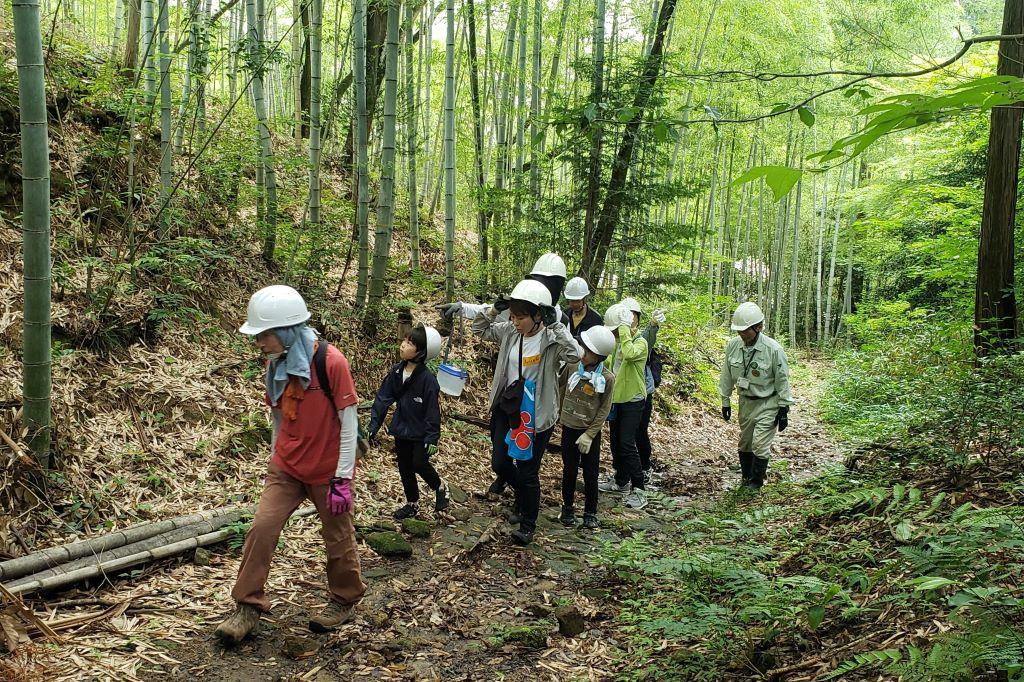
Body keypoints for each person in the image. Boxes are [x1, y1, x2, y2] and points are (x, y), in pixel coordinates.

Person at [215, 285, 364, 645]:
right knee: (262, 528)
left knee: (338, 536)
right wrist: (274, 456)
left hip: (328, 471)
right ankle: (247, 606)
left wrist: (343, 478)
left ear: (284, 331)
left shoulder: (331, 362)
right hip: (287, 467)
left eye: (263, 335)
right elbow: (278, 417)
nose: (259, 343)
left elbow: (349, 422)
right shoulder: (276, 365)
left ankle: (344, 599)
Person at [439, 252, 568, 498]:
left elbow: (570, 350)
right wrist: (462, 307)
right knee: (502, 454)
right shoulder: (524, 306)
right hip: (510, 397)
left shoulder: (553, 317)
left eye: (548, 281)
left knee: (526, 461)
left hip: (535, 400)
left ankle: (525, 498)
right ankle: (511, 483)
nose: (543, 284)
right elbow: (504, 314)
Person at [472, 279, 580, 545]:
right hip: (508, 406)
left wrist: (557, 325)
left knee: (528, 469)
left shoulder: (552, 339)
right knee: (500, 462)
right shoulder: (510, 332)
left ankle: (528, 522)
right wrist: (492, 311)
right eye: (514, 316)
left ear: (537, 316)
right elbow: (480, 329)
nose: (516, 321)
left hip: (536, 412)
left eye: (521, 317)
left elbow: (575, 356)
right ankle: (521, 495)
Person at [366, 324, 450, 520]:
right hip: (401, 429)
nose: (403, 345)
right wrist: (373, 426)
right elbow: (383, 399)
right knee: (404, 466)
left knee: (419, 463)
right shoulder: (396, 372)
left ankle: (440, 487)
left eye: (409, 343)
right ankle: (412, 503)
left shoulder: (427, 380)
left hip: (420, 433)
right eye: (404, 341)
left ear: (420, 352)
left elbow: (432, 411)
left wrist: (432, 437)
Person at [718, 302, 794, 491]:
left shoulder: (773, 350)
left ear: (758, 327)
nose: (742, 335)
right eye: (739, 331)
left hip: (768, 402)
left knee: (760, 444)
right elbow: (726, 374)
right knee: (746, 443)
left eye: (745, 331)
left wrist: (784, 408)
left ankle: (756, 483)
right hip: (745, 402)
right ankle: (746, 478)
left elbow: (782, 379)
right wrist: (725, 401)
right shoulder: (734, 346)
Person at [558, 325, 616, 529]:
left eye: (589, 351)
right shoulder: (573, 367)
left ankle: (590, 511)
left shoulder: (607, 378)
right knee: (569, 470)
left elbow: (604, 409)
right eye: (583, 347)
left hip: (589, 433)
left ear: (599, 356)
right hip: (569, 427)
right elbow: (560, 388)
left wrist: (590, 435)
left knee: (590, 473)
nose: (584, 353)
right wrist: (558, 413)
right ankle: (567, 507)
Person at [598, 303, 649, 510]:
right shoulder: (619, 343)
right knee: (616, 443)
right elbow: (610, 364)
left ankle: (639, 488)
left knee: (627, 443)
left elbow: (629, 354)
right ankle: (621, 480)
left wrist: (624, 330)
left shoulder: (640, 342)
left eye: (616, 330)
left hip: (634, 400)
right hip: (617, 399)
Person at [619, 297, 666, 485]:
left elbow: (649, 336)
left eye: (633, 315)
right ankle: (622, 474)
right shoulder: (616, 334)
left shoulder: (640, 338)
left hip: (641, 392)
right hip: (621, 392)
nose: (630, 319)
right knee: (622, 436)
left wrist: (654, 325)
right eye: (626, 314)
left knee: (639, 432)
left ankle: (644, 467)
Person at [563, 277, 603, 341]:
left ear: (585, 299)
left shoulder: (595, 319)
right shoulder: (564, 315)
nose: (575, 304)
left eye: (578, 301)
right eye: (572, 301)